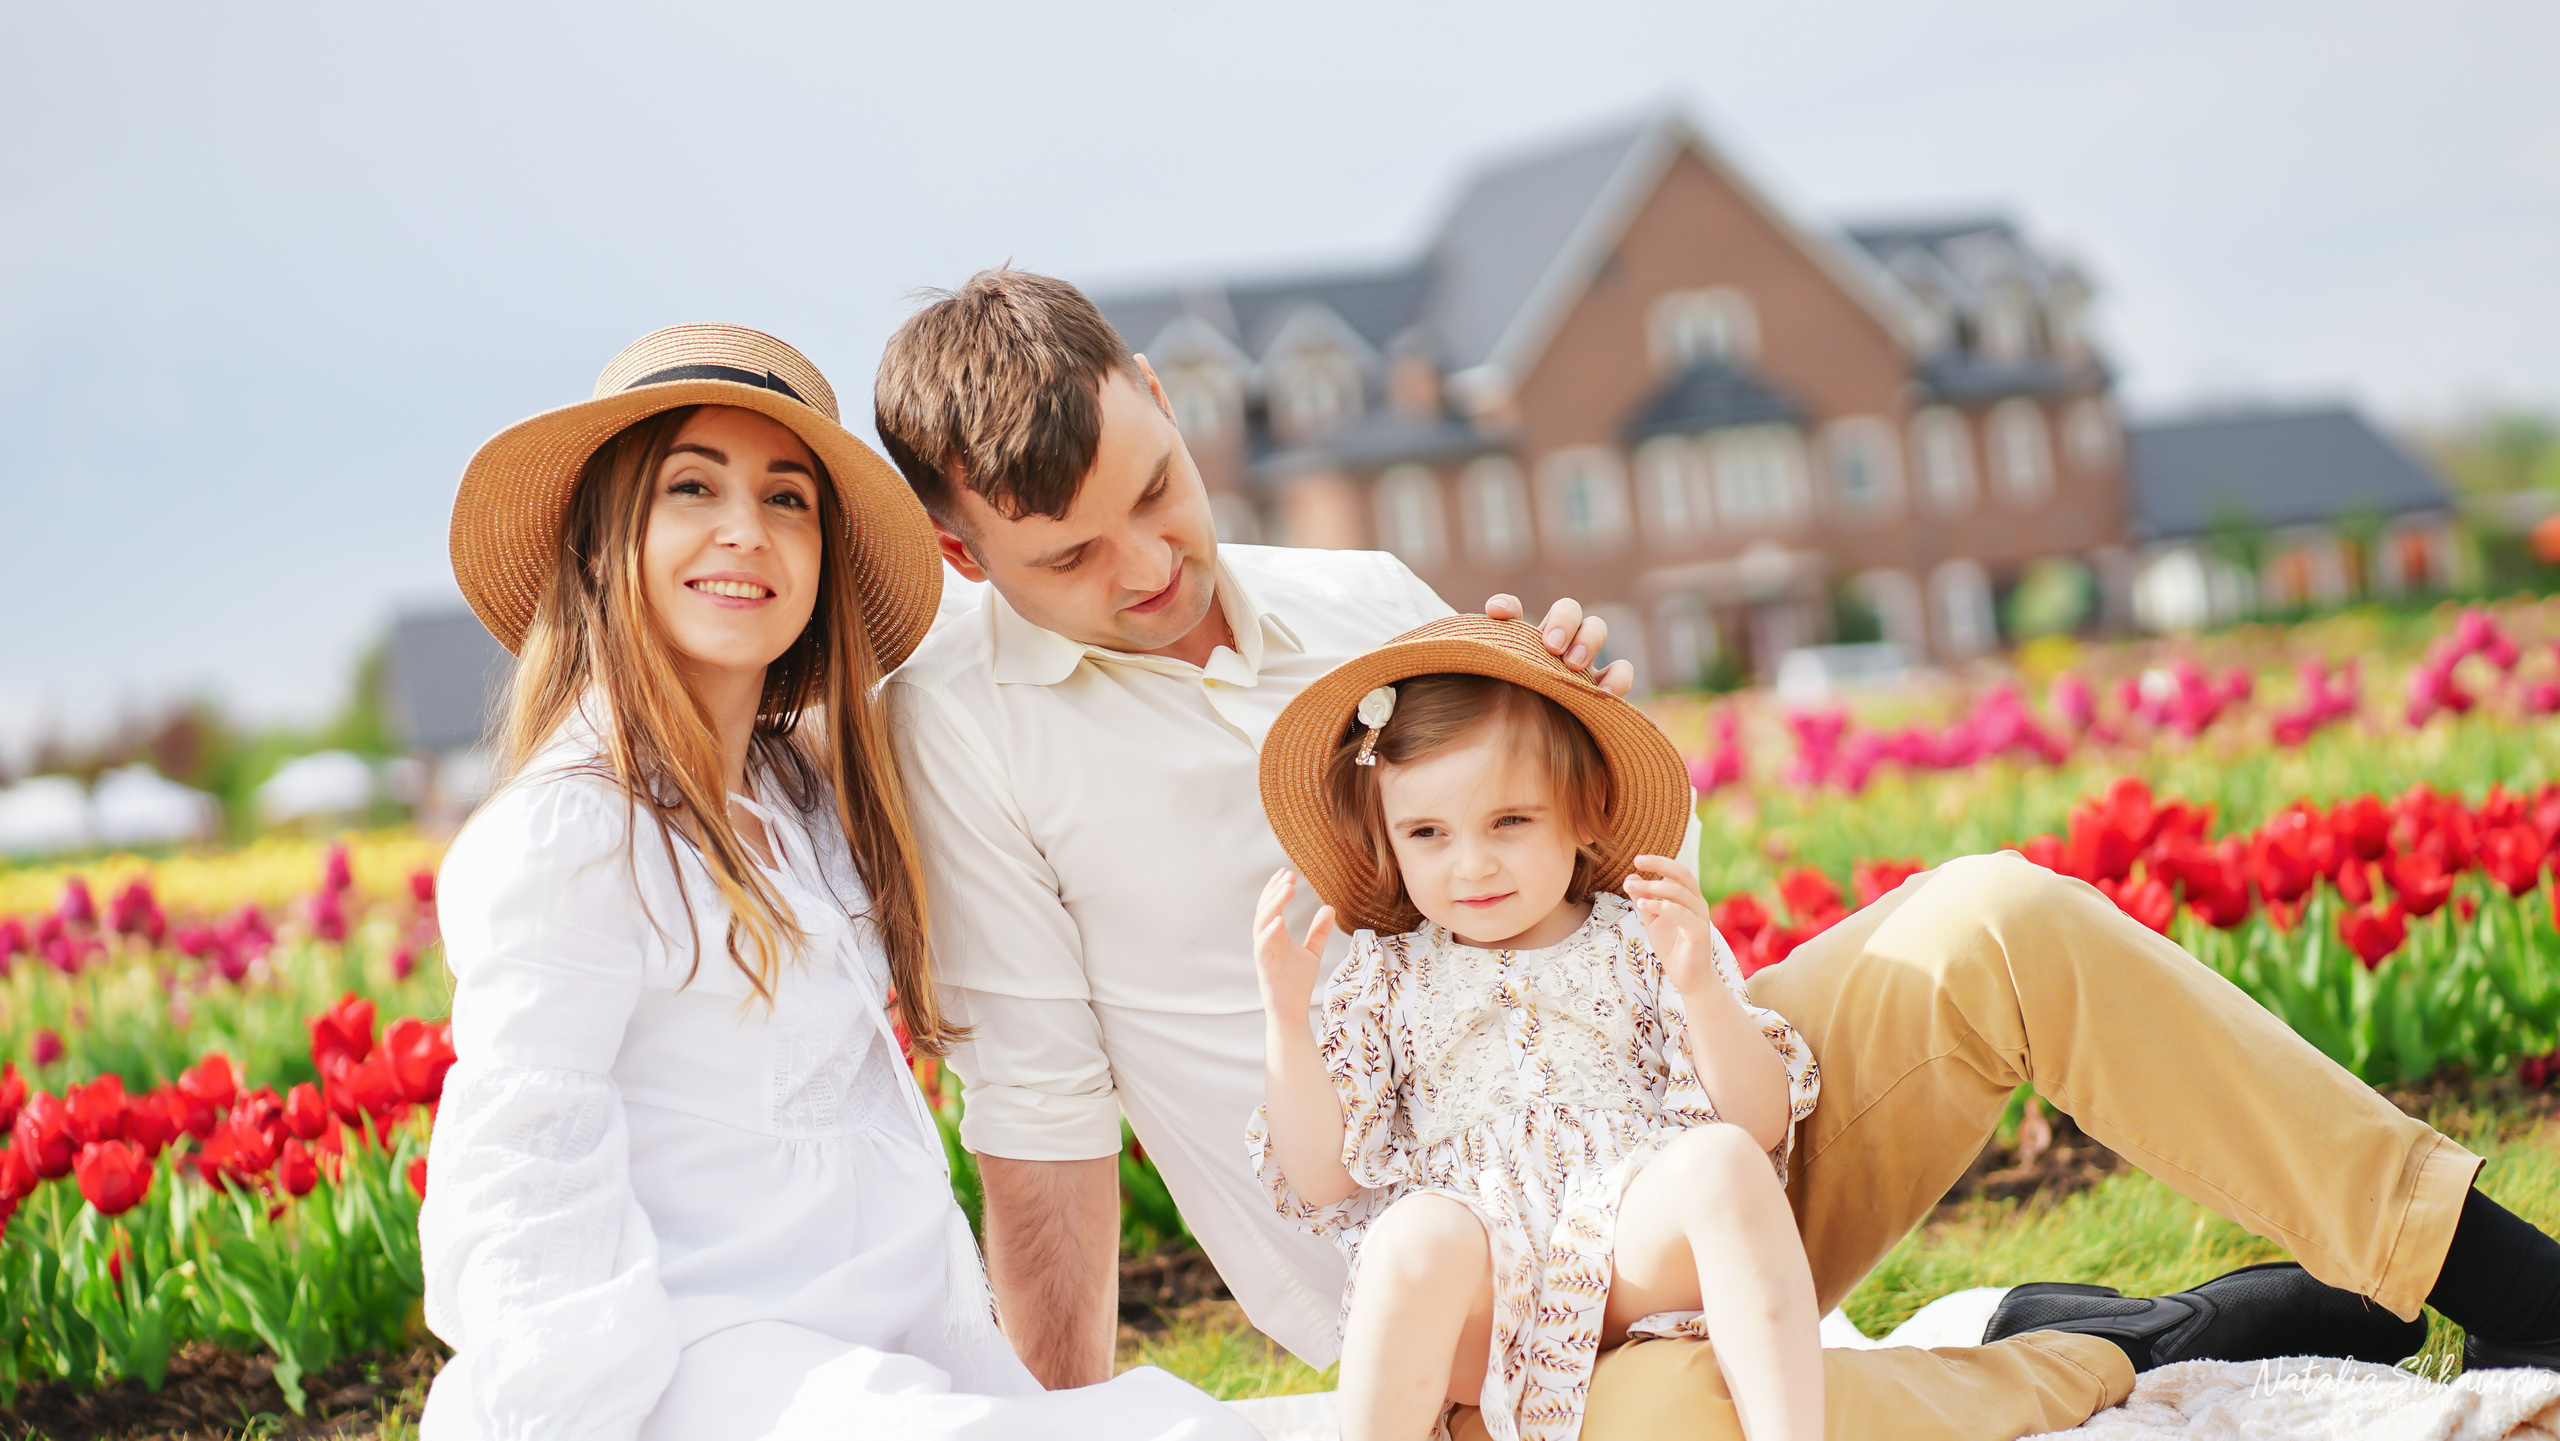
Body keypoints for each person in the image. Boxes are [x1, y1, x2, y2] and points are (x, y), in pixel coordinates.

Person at [874, 269, 2560, 1441]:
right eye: (1073, 555)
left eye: (1157, 494)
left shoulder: (1364, 599)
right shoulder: (963, 727)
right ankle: (2107, 1363)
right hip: (1454, 1311)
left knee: (1997, 915)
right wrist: (1063, 1417)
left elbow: (1581, 904)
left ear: (1162, 400)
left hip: (1691, 1163)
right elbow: (1037, 1121)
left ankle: (2508, 1275)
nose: (1150, 563)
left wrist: (1563, 741)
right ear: (962, 548)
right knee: (1680, 1422)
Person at [416, 323, 1257, 1441]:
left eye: (786, 499)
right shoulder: (574, 830)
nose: (744, 533)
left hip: (882, 1369)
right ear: (599, 542)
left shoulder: (801, 795)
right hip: (704, 1381)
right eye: (690, 487)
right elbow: (522, 1170)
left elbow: (1011, 674)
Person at [1247, 619, 1826, 1441]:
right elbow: (1321, 1178)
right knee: (1416, 1232)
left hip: (1629, 1256)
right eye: (1427, 834)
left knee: (1724, 1159)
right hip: (1478, 1301)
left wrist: (1698, 984)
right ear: (1388, 839)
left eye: (1510, 821)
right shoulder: (1387, 976)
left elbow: (1760, 1121)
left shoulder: (1638, 936)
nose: (1471, 865)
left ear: (1584, 812)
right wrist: (1285, 1024)